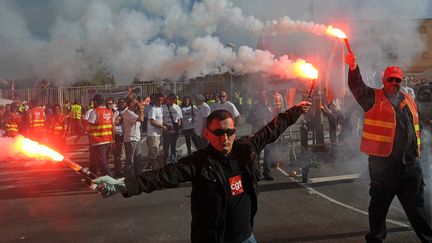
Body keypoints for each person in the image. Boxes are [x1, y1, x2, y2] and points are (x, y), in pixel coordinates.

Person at [91, 100, 311, 243]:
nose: (224, 138)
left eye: (230, 131)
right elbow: (160, 176)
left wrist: (297, 110)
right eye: (218, 132)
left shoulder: (246, 149)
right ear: (207, 133)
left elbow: (274, 128)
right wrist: (122, 184)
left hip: (245, 238)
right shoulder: (198, 163)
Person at [346, 52, 432, 243]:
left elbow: (417, 128)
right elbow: (356, 86)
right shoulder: (372, 97)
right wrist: (353, 68)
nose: (395, 82)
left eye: (398, 80)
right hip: (383, 166)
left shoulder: (409, 100)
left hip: (410, 166)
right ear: (384, 80)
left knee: (419, 209)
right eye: (391, 79)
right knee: (378, 208)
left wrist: (420, 153)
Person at [248, 89, 275, 180]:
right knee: (257, 153)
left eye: (265, 96)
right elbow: (249, 119)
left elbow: (273, 118)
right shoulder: (255, 107)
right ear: (260, 97)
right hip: (258, 132)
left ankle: (267, 173)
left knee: (268, 153)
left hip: (268, 132)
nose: (264, 98)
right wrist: (258, 121)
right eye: (262, 96)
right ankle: (257, 173)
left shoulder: (270, 107)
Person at [87, 94, 114, 176]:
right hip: (107, 140)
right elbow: (112, 126)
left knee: (102, 163)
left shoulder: (95, 112)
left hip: (98, 141)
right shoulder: (109, 112)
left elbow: (89, 126)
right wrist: (113, 138)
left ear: (95, 102)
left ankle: (110, 180)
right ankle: (91, 177)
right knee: (94, 161)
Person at [121, 97, 144, 177]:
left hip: (136, 138)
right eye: (134, 103)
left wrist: (138, 108)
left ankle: (138, 177)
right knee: (130, 161)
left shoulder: (133, 112)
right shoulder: (128, 112)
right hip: (131, 139)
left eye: (136, 103)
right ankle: (129, 178)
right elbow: (141, 119)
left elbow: (141, 118)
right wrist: (140, 107)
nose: (135, 105)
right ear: (129, 104)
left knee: (138, 160)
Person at [146, 93, 166, 169]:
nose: (160, 101)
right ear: (155, 100)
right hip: (153, 135)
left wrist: (165, 125)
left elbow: (160, 121)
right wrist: (163, 126)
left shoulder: (161, 108)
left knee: (160, 154)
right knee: (154, 156)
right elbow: (152, 122)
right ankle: (154, 172)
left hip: (159, 135)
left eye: (161, 100)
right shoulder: (152, 109)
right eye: (158, 100)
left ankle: (161, 170)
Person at [162, 93, 183, 164]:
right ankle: (165, 162)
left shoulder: (177, 107)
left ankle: (173, 162)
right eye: (169, 99)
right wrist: (165, 126)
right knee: (166, 148)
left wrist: (178, 125)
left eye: (173, 99)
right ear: (167, 99)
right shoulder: (163, 107)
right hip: (167, 131)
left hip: (175, 130)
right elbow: (160, 119)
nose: (171, 101)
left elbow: (180, 119)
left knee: (174, 148)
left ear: (175, 100)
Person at [113, 98, 126, 177]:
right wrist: (119, 119)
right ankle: (117, 170)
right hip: (117, 135)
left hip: (126, 134)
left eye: (122, 102)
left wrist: (122, 119)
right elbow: (116, 122)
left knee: (125, 154)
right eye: (119, 102)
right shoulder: (115, 112)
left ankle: (124, 170)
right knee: (117, 154)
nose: (121, 104)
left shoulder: (128, 111)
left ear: (125, 103)